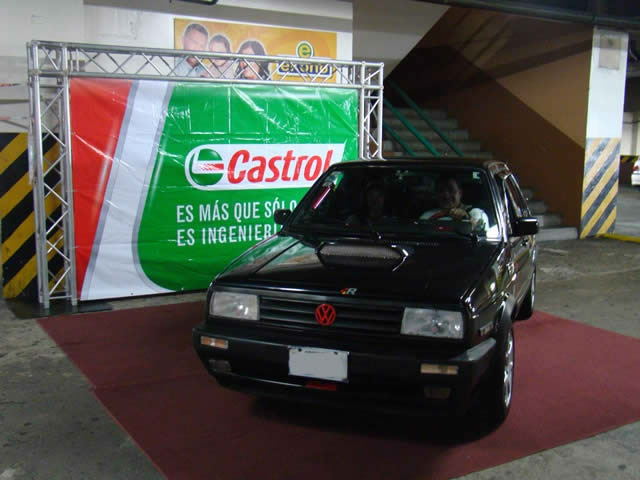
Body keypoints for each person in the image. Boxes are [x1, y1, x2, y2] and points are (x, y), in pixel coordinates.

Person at [420, 176, 489, 233]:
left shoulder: (476, 213)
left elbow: (481, 232)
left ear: (460, 193)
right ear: (436, 195)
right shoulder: (426, 216)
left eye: (451, 190)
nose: (446, 196)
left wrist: (466, 218)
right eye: (441, 191)